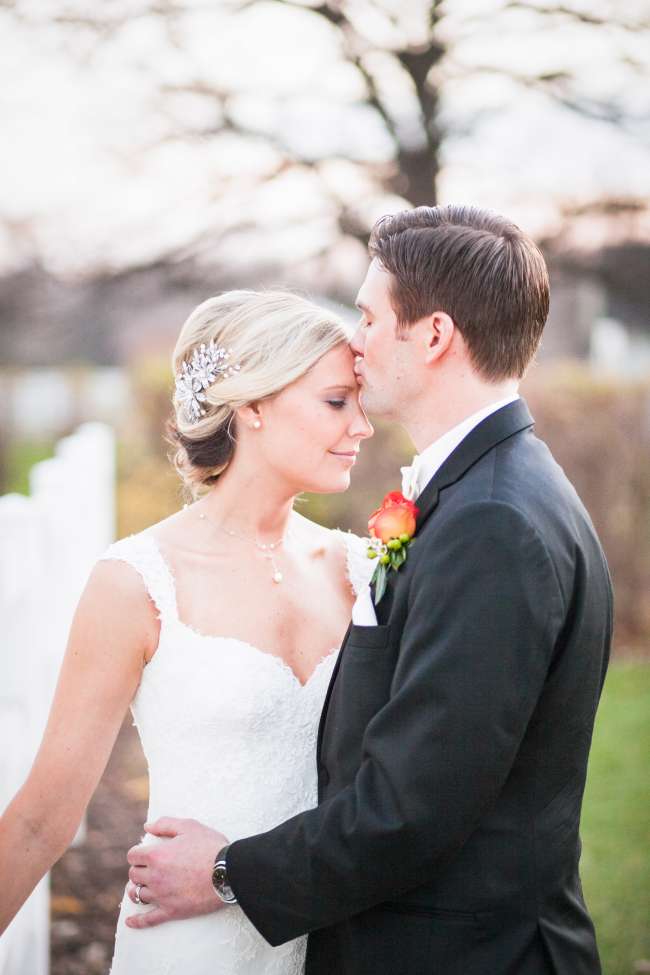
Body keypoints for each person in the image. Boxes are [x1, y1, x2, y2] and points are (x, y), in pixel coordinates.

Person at [125, 205, 613, 975]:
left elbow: (410, 806)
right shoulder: (485, 493)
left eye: (368, 315)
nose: (355, 340)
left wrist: (227, 872)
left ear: (434, 335)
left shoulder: (493, 522)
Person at [0, 289, 374, 974]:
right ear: (253, 406)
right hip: (186, 945)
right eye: (337, 400)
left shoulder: (359, 568)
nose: (363, 425)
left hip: (332, 941)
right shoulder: (135, 581)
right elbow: (39, 817)